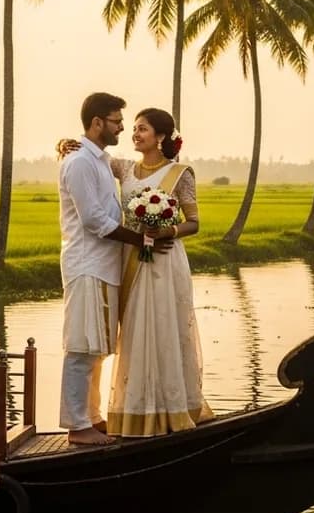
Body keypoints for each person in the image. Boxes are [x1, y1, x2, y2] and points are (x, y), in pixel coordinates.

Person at [57, 107, 212, 438]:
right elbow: (91, 156)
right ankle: (134, 413)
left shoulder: (179, 172)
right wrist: (67, 143)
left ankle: (171, 407)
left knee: (165, 329)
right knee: (135, 334)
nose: (134, 133)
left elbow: (194, 222)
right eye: (132, 128)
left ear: (160, 137)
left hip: (165, 262)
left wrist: (165, 233)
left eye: (142, 129)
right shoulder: (124, 167)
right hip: (130, 259)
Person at [56, 93, 165, 446]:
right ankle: (76, 425)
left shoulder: (99, 160)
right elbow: (93, 220)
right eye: (117, 121)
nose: (122, 127)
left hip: (105, 265)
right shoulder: (79, 163)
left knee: (98, 346)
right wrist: (140, 240)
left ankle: (93, 416)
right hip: (87, 264)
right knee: (82, 346)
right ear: (97, 122)